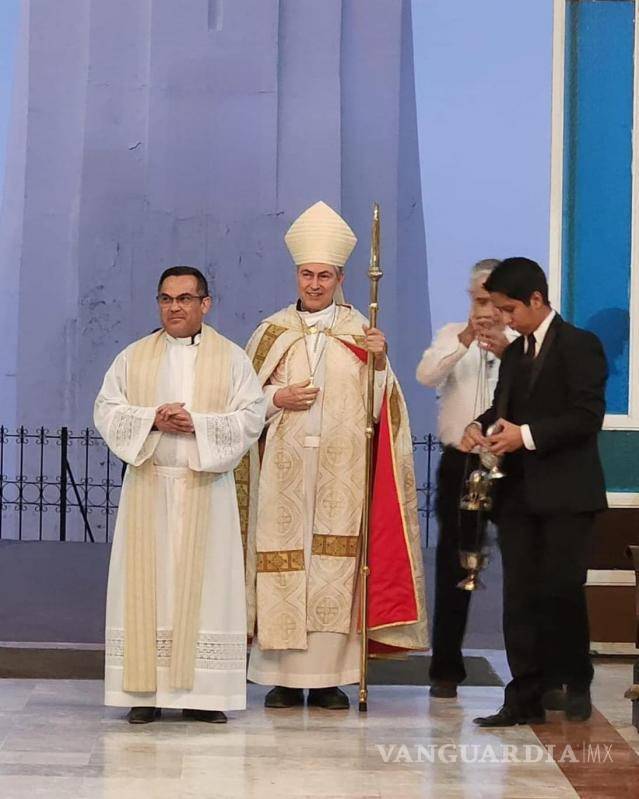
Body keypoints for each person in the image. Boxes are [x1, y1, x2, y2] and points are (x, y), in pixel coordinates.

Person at [239, 201, 428, 709]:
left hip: (341, 475)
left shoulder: (361, 332)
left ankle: (328, 679)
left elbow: (384, 408)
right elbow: (241, 406)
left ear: (341, 278)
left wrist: (380, 362)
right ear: (296, 275)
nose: (315, 284)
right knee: (282, 564)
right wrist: (277, 399)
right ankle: (281, 678)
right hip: (284, 475)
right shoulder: (271, 332)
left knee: (335, 567)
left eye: (324, 275)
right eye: (307, 274)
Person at [94, 266, 265, 724]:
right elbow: (107, 410)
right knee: (146, 590)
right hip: (149, 485)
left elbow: (252, 415)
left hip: (205, 486)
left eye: (185, 298)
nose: (175, 307)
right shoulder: (133, 357)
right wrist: (152, 418)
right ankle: (144, 693)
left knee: (207, 591)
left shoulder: (231, 359)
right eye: (166, 299)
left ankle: (204, 697)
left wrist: (198, 425)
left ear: (205, 304)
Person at [461, 257, 607, 726]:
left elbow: (586, 417)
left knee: (561, 590)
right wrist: (479, 425)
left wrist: (523, 436)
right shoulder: (517, 354)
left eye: (509, 309)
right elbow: (503, 408)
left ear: (537, 299)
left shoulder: (581, 345)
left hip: (567, 494)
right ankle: (523, 695)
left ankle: (574, 681)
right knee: (520, 596)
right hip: (519, 497)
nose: (504, 319)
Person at [416, 259, 514, 698]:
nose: (484, 311)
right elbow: (427, 375)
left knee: (520, 563)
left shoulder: (520, 343)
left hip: (511, 463)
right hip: (461, 462)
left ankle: (528, 670)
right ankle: (446, 669)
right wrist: (465, 341)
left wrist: (505, 349)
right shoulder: (452, 334)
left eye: (492, 301)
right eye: (478, 301)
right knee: (455, 564)